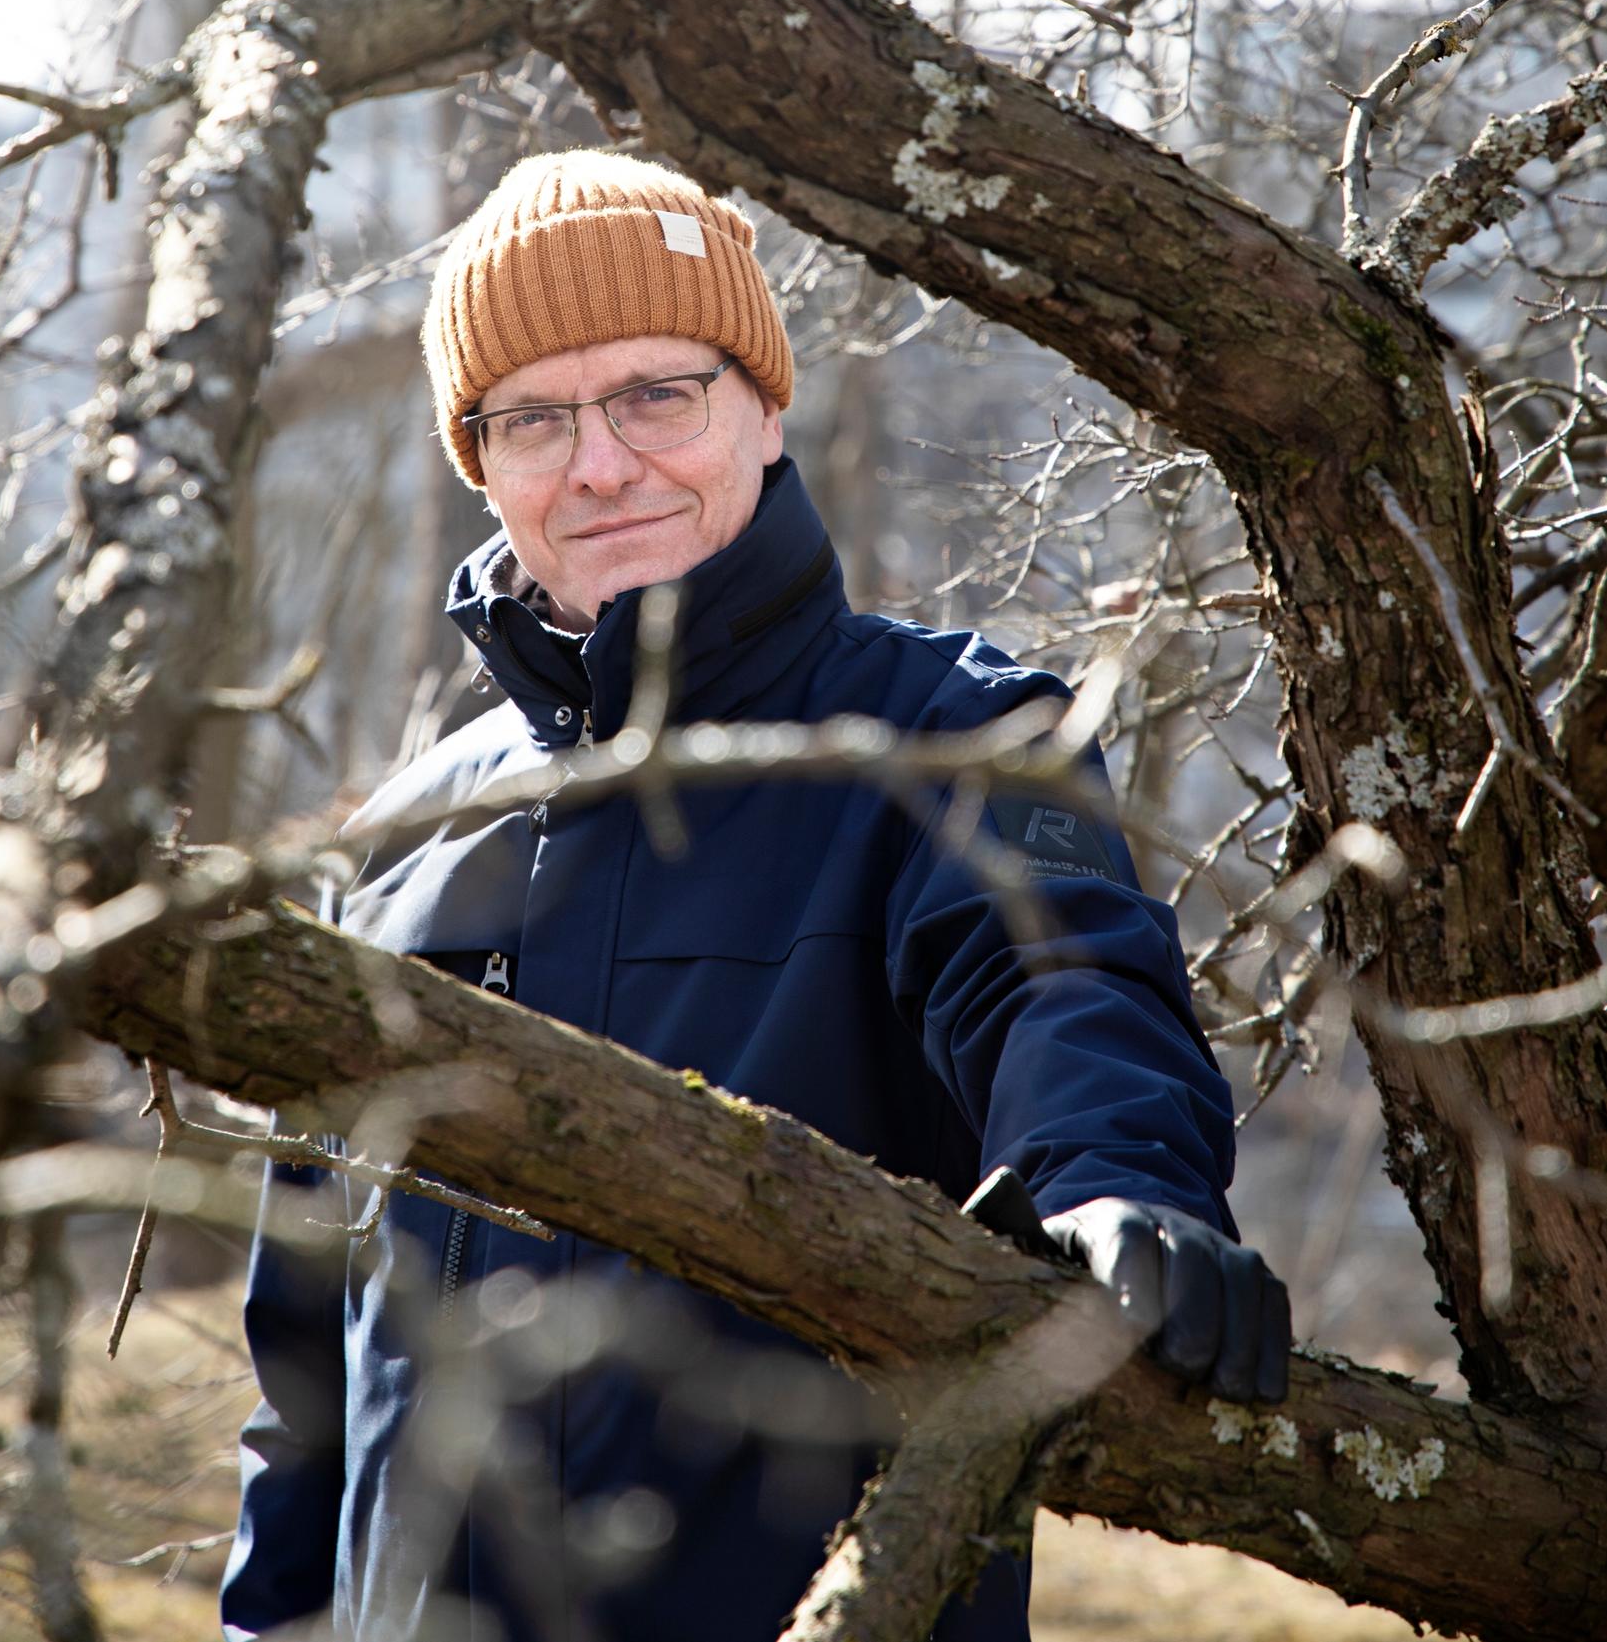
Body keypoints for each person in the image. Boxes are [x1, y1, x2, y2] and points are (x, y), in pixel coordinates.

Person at [222, 149, 1289, 1642]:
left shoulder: (952, 737)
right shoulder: (406, 838)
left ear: (764, 408)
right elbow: (305, 1381)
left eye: (656, 394)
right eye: (534, 418)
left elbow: (1061, 986)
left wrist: (1118, 1186)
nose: (600, 465)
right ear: (483, 466)